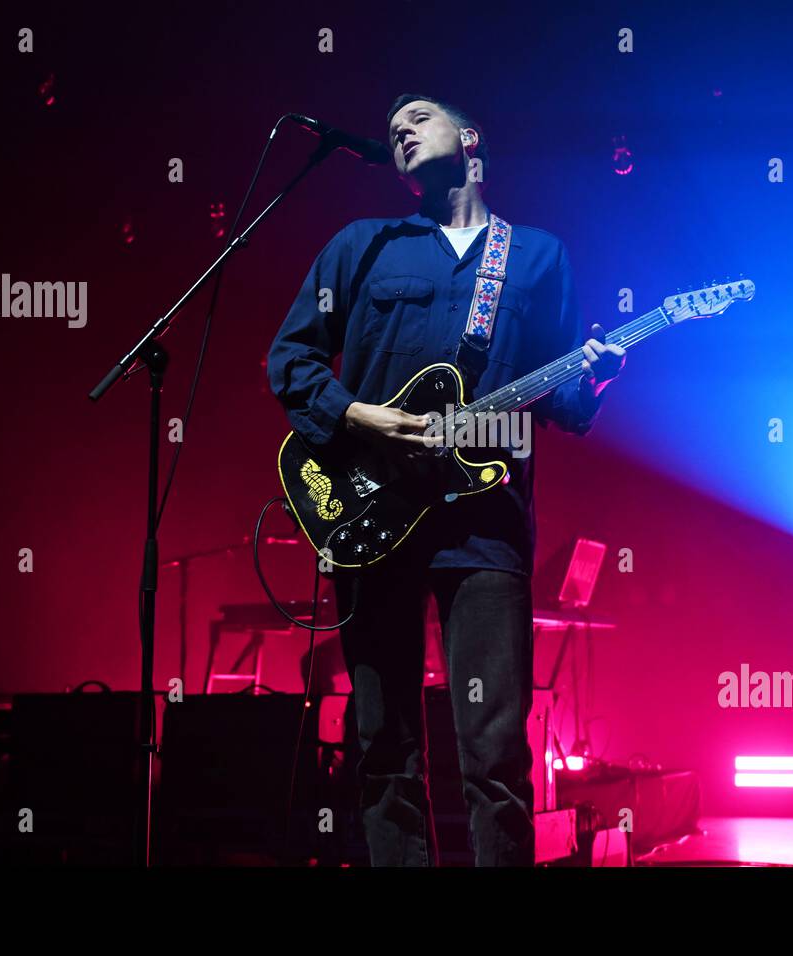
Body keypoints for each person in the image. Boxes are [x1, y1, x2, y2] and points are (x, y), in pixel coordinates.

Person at [267, 93, 625, 866]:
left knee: (493, 750)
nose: (399, 126)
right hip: (372, 518)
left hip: (484, 526)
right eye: (392, 124)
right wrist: (358, 415)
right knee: (382, 742)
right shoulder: (361, 247)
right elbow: (289, 361)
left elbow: (558, 396)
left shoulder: (534, 256)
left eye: (418, 117)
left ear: (469, 139)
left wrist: (594, 381)